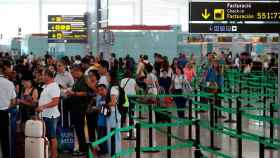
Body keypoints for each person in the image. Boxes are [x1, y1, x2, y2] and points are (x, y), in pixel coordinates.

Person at [65, 64, 92, 156]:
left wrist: (74, 93)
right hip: (76, 107)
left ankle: (83, 149)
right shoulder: (78, 80)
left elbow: (86, 93)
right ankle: (81, 147)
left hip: (81, 108)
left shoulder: (85, 79)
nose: (72, 74)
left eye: (72, 72)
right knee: (78, 129)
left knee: (80, 129)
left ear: (77, 71)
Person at [35, 69, 60, 158]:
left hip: (51, 115)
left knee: (52, 136)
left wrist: (43, 107)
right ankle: (48, 153)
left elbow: (55, 102)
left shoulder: (54, 86)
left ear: (48, 76)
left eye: (43, 75)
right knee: (47, 137)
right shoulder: (46, 86)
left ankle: (54, 155)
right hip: (44, 115)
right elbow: (46, 99)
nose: (41, 77)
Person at [0, 60, 17, 158]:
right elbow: (14, 102)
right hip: (4, 114)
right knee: (5, 141)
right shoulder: (9, 83)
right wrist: (6, 106)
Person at [106, 74, 122, 156]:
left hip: (113, 113)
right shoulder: (116, 87)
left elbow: (113, 102)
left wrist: (106, 105)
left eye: (108, 76)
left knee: (113, 134)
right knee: (116, 134)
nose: (106, 77)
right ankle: (117, 152)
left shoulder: (113, 88)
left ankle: (114, 153)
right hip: (116, 113)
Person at [96, 84, 109, 155]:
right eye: (99, 90)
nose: (100, 92)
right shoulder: (100, 99)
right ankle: (101, 149)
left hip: (106, 122)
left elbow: (107, 111)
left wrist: (99, 109)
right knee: (100, 136)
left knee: (104, 137)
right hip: (99, 121)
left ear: (106, 89)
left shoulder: (108, 99)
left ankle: (104, 150)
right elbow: (99, 109)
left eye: (102, 89)